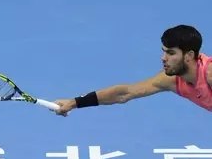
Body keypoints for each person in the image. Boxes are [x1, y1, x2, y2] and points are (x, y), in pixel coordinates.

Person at [54, 25, 212, 116]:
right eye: (164, 51)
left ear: (189, 55)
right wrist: (74, 102)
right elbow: (123, 93)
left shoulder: (209, 74)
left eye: (171, 53)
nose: (163, 58)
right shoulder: (170, 80)